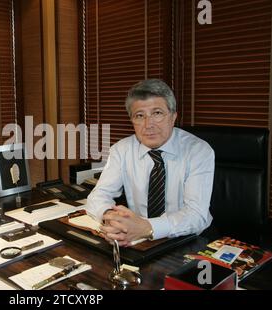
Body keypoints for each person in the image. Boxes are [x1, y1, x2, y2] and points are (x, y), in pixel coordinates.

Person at [86, 79, 215, 247]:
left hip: (188, 239)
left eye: (157, 113)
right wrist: (111, 217)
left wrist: (147, 227)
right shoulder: (121, 150)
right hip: (137, 238)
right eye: (140, 116)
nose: (148, 125)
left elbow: (196, 215)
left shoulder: (198, 151)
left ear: (173, 117)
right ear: (132, 121)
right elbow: (98, 195)